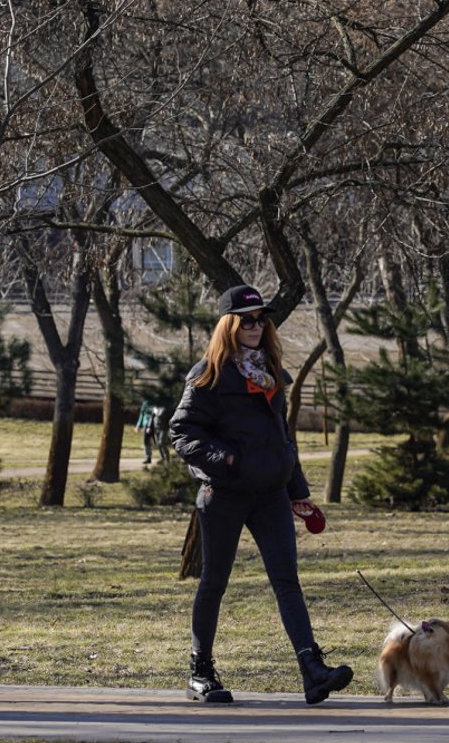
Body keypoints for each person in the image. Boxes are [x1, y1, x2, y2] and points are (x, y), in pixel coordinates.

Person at [169, 285, 352, 706]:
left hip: (270, 494)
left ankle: (312, 670)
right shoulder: (207, 374)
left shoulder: (270, 372)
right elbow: (181, 432)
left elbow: (281, 438)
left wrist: (297, 491)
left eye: (260, 319)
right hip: (225, 494)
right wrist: (227, 460)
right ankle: (201, 673)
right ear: (229, 325)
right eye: (246, 319)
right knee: (214, 583)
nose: (255, 326)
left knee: (288, 582)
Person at [136, 399, 158, 464]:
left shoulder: (156, 402)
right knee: (146, 441)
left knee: (158, 442)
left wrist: (150, 426)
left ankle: (164, 458)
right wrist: (138, 425)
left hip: (154, 424)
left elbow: (155, 413)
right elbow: (142, 414)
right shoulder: (145, 403)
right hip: (146, 424)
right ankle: (148, 457)